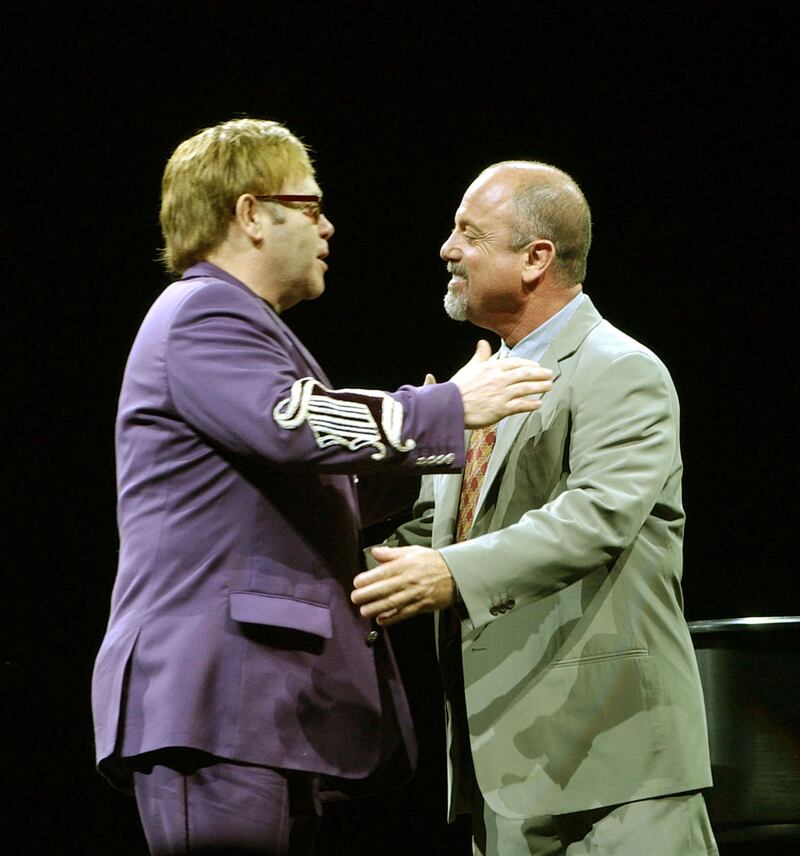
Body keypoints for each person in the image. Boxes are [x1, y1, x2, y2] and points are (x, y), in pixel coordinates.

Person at [90, 123, 554, 856]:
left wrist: (411, 460)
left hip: (257, 705)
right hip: (216, 697)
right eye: (309, 208)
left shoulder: (246, 328)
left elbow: (301, 483)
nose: (328, 226)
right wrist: (446, 409)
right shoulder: (202, 315)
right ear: (249, 214)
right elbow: (293, 422)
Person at [352, 161, 718, 855]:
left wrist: (450, 575)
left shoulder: (619, 368)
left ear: (535, 258)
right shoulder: (484, 383)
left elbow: (596, 516)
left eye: (468, 233)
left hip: (615, 773)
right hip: (507, 774)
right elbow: (424, 535)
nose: (447, 249)